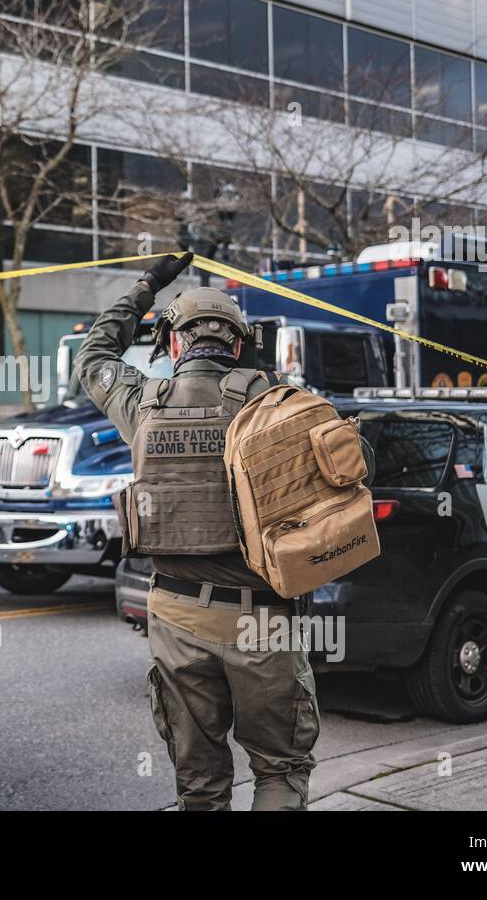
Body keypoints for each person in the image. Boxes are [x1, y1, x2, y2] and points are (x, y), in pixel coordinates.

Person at [76, 252, 320, 811]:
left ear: (175, 344)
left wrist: (146, 285)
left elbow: (95, 353)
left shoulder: (142, 403)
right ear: (238, 346)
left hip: (177, 618)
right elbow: (355, 468)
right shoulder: (277, 404)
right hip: (262, 621)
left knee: (200, 787)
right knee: (280, 772)